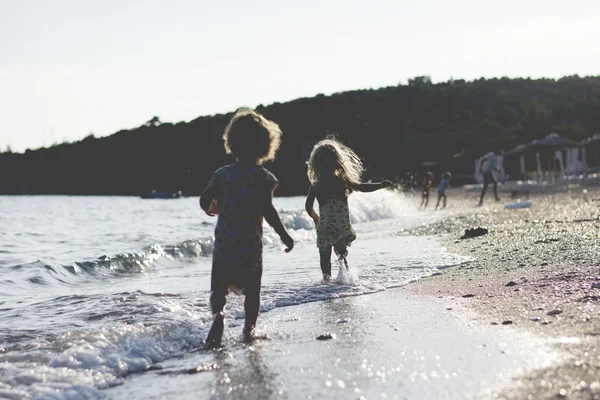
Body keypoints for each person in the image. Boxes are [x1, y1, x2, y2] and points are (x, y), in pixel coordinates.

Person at [199, 109, 294, 348]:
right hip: (250, 247)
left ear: (231, 142)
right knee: (253, 291)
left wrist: (211, 206)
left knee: (218, 291)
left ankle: (219, 317)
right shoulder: (263, 178)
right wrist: (284, 235)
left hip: (224, 246)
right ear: (266, 145)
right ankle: (249, 330)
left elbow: (204, 199)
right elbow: (269, 212)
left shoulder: (222, 175)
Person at [304, 138, 391, 280]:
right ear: (338, 161)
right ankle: (345, 278)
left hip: (324, 226)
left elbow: (308, 206)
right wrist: (379, 185)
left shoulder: (316, 185)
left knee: (324, 257)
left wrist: (316, 218)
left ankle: (326, 282)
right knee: (341, 254)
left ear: (316, 164)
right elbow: (362, 187)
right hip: (340, 225)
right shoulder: (343, 181)